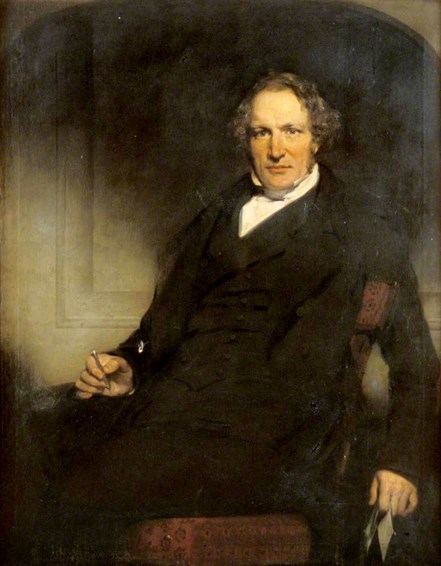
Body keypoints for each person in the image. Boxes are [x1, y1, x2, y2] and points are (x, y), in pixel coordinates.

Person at [28, 72, 439, 564]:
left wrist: (401, 462)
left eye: (292, 131)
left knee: (82, 488)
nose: (276, 149)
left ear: (317, 139)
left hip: (276, 440)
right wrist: (129, 366)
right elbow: (158, 330)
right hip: (172, 412)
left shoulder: (365, 229)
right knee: (35, 428)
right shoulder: (213, 216)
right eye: (262, 132)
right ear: (246, 140)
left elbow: (416, 363)